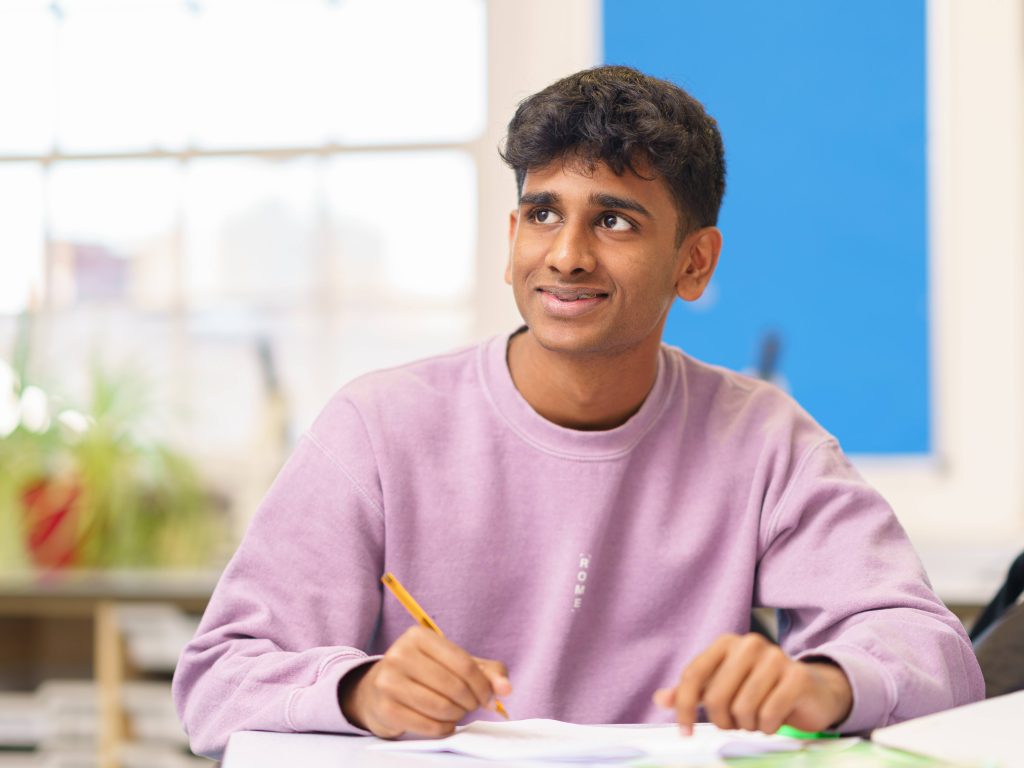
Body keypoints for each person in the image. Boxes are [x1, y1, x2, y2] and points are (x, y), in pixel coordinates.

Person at [172, 65, 983, 759]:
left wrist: (818, 685)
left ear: (694, 263)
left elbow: (939, 658)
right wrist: (357, 691)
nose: (565, 254)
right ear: (512, 237)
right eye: (543, 213)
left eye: (615, 220)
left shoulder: (765, 439)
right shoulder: (376, 428)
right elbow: (216, 684)